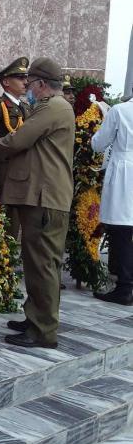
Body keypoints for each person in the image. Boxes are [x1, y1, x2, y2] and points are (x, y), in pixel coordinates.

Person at [0, 58, 75, 349]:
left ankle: (43, 331)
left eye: (30, 83)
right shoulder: (54, 107)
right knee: (37, 264)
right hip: (43, 196)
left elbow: (20, 140)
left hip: (45, 199)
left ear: (42, 84)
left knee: (43, 266)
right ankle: (35, 318)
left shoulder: (53, 108)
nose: (27, 89)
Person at [0, 57, 30, 240]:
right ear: (6, 82)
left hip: (22, 172)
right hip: (3, 172)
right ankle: (2, 259)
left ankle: (10, 256)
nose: (25, 82)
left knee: (15, 220)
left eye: (26, 77)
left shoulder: (25, 107)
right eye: (19, 78)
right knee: (4, 218)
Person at [91, 99, 133, 305]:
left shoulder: (120, 110)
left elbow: (98, 143)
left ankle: (124, 287)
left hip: (125, 172)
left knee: (122, 230)